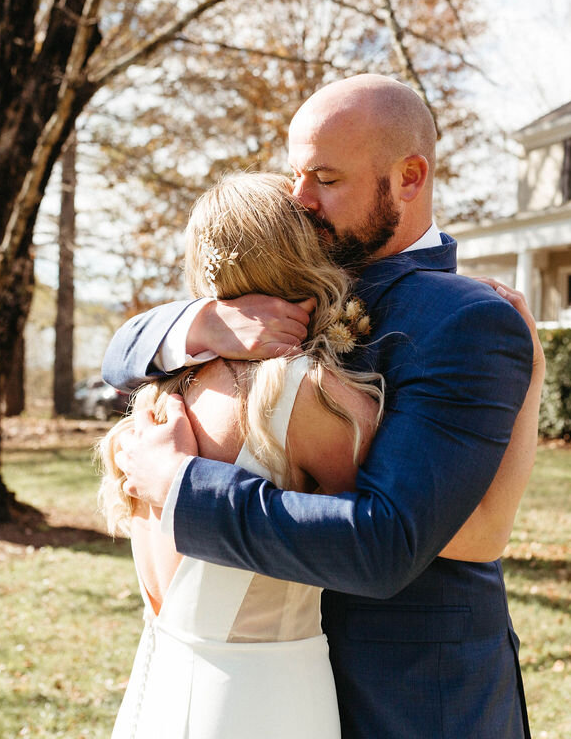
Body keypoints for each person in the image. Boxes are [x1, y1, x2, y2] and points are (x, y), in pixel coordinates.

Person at [103, 75, 540, 738]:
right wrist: (202, 324)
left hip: (410, 701)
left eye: (326, 179)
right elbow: (122, 352)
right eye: (296, 174)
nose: (298, 200)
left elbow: (399, 542)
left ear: (410, 179)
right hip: (265, 686)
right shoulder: (278, 293)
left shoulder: (467, 319)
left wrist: (182, 488)